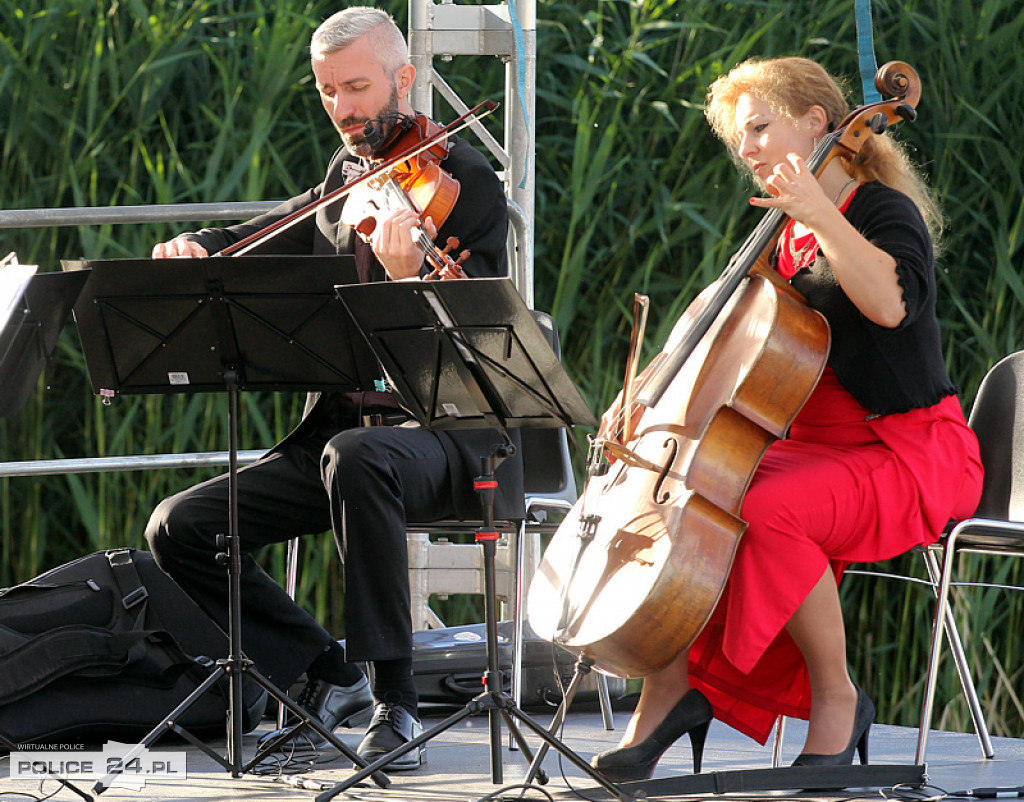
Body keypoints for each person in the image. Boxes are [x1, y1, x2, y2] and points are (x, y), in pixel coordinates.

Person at [146, 7, 522, 771]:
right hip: (340, 445)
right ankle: (331, 672)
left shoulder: (467, 182)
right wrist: (204, 247)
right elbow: (284, 226)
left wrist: (404, 277)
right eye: (327, 92)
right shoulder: (348, 176)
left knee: (359, 457)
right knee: (178, 526)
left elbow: (474, 332)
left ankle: (398, 703)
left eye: (357, 87)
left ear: (403, 79)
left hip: (449, 438)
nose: (344, 109)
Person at [589, 56, 984, 782]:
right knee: (693, 498)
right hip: (815, 449)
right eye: (741, 138)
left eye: (760, 129)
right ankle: (670, 685)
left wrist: (818, 210)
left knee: (766, 507)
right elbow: (710, 317)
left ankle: (839, 698)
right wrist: (644, 390)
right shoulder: (779, 236)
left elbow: (891, 306)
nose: (748, 150)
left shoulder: (876, 211)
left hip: (908, 451)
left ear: (817, 123)